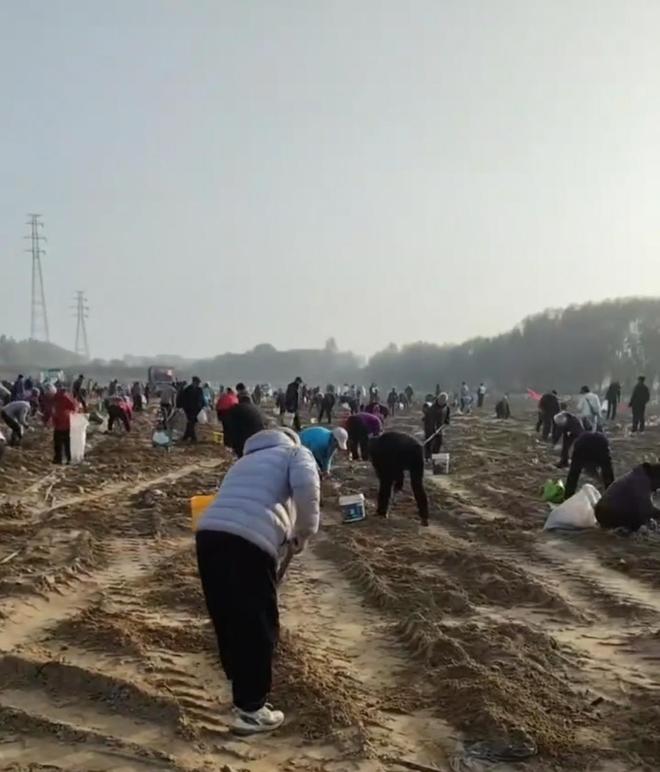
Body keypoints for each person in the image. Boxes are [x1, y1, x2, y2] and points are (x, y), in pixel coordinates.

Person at [195, 428, 320, 734]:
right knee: (257, 623)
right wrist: (305, 531)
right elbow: (307, 486)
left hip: (208, 533)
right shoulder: (295, 452)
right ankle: (251, 710)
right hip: (249, 541)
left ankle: (241, 688)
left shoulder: (244, 461)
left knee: (227, 615)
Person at [369, 432, 429, 526]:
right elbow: (396, 469)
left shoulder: (377, 450)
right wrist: (398, 482)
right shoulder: (386, 439)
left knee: (385, 483)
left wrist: (397, 482)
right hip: (417, 448)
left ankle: (382, 512)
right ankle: (424, 517)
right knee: (417, 484)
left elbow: (384, 477)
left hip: (404, 451)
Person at [594, 463, 660, 531]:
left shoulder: (639, 476)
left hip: (605, 510)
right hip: (608, 512)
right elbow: (646, 509)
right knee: (640, 522)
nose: (657, 489)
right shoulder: (640, 481)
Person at [563, 431, 614, 498]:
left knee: (574, 474)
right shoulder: (602, 453)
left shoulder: (579, 452)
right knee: (607, 474)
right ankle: (611, 495)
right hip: (594, 445)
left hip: (592, 445)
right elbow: (609, 474)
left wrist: (567, 496)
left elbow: (572, 475)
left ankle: (568, 495)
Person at [52, 386, 78, 464]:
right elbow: (74, 408)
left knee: (58, 443)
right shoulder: (67, 398)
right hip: (66, 423)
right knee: (67, 443)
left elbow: (53, 409)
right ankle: (69, 459)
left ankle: (58, 459)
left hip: (58, 423)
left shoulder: (55, 397)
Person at [422, 392, 450, 462]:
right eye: (441, 399)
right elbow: (431, 420)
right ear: (438, 399)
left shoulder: (446, 407)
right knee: (429, 442)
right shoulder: (433, 408)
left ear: (445, 401)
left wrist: (447, 421)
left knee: (439, 442)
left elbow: (447, 417)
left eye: (444, 400)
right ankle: (427, 457)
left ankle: (434, 457)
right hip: (429, 426)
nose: (442, 401)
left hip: (439, 428)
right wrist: (434, 429)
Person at [181, 376, 206, 442]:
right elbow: (183, 399)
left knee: (191, 422)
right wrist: (184, 407)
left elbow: (202, 399)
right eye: (197, 382)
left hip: (197, 409)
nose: (197, 384)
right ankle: (193, 437)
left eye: (198, 383)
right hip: (189, 409)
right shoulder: (187, 390)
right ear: (193, 382)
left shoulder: (199, 389)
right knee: (191, 422)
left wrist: (203, 406)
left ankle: (186, 436)